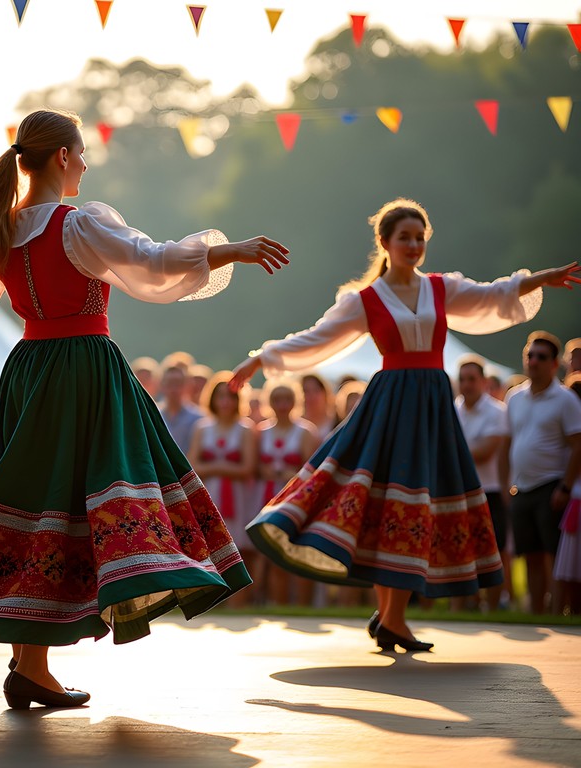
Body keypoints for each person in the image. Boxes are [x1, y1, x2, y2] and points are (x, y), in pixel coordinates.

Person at [0, 109, 289, 708]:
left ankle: (30, 665)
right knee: (76, 500)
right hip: (82, 370)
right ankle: (33, 664)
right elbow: (150, 261)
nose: (86, 163)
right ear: (62, 158)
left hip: (29, 371)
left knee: (38, 503)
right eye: (81, 153)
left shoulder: (2, 230)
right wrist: (228, 250)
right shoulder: (78, 224)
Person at [230, 197, 579, 651]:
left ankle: (392, 617)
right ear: (385, 243)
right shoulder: (366, 299)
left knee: (415, 508)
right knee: (385, 506)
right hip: (392, 403)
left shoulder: (440, 288)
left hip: (432, 403)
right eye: (405, 238)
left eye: (420, 238)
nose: (414, 245)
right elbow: (317, 337)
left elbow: (492, 295)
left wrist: (539, 280)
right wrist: (261, 357)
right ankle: (392, 618)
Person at [504, 332, 581, 614]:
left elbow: (578, 446)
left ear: (554, 363)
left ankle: (556, 611)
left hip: (552, 487)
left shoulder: (565, 400)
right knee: (530, 556)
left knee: (553, 555)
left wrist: (565, 487)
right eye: (530, 355)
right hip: (521, 488)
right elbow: (509, 443)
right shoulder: (514, 397)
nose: (534, 361)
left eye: (541, 357)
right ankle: (536, 612)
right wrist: (506, 485)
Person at [188, 372, 259, 606]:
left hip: (238, 498)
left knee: (239, 548)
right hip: (209, 494)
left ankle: (239, 602)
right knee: (209, 548)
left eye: (230, 397)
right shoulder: (202, 428)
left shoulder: (245, 429)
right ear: (212, 399)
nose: (225, 402)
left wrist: (214, 467)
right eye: (220, 397)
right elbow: (192, 464)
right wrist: (224, 466)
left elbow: (248, 468)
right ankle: (212, 602)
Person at [455, 356, 512, 610]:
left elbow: (486, 451)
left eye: (471, 379)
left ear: (484, 381)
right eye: (463, 379)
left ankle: (494, 603)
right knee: (462, 550)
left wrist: (453, 451)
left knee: (494, 551)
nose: (466, 385)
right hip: (460, 493)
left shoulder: (497, 411)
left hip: (490, 491)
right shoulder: (453, 410)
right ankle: (469, 603)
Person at [256, 380, 318, 606]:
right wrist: (267, 471)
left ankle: (303, 606)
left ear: (295, 402)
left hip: (296, 498)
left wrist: (290, 473)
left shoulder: (305, 431)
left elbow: (311, 468)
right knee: (274, 554)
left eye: (287, 399)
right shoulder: (261, 431)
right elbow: (255, 466)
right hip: (266, 498)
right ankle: (279, 604)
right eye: (277, 400)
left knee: (298, 550)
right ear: (269, 402)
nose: (282, 405)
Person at [553, 373, 581, 615]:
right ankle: (564, 609)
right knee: (569, 563)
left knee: (569, 564)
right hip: (575, 501)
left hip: (576, 499)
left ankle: (561, 609)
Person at [158, 364, 204, 453]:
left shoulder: (199, 418)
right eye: (170, 383)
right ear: (162, 385)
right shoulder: (152, 415)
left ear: (186, 386)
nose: (174, 388)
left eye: (178, 383)